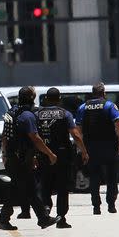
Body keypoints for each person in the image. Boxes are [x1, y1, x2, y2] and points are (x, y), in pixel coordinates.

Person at [0, 87, 59, 231]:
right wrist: (50, 154)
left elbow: (5, 136)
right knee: (27, 189)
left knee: (23, 188)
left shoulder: (11, 112)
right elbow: (35, 138)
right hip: (21, 159)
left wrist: (5, 154)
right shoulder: (27, 116)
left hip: (15, 157)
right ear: (31, 98)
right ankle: (41, 218)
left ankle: (6, 219)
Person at [37, 88, 88, 229]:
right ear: (59, 99)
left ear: (46, 99)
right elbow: (76, 135)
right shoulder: (65, 114)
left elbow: (34, 135)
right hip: (62, 156)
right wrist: (84, 151)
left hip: (44, 155)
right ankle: (61, 219)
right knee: (62, 188)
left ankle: (46, 209)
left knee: (45, 185)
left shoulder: (38, 114)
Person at [76, 83, 119, 215]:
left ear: (92, 93)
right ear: (104, 92)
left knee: (94, 177)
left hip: (91, 147)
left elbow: (78, 130)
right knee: (111, 177)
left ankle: (96, 206)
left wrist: (82, 149)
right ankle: (111, 205)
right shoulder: (109, 105)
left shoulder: (83, 107)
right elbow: (118, 125)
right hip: (109, 146)